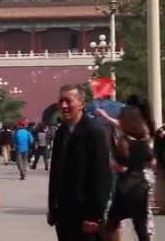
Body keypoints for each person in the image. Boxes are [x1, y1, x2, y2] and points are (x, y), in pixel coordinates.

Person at [48, 84, 111, 241]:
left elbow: (101, 176)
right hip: (63, 212)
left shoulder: (94, 132)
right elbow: (55, 173)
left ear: (81, 103)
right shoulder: (61, 132)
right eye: (61, 101)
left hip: (86, 215)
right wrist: (52, 207)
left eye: (68, 101)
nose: (63, 106)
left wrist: (95, 215)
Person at [105, 101, 155, 241]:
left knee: (111, 224)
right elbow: (151, 162)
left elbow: (122, 165)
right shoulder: (144, 141)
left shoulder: (124, 141)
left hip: (126, 187)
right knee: (140, 227)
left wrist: (110, 161)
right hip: (141, 186)